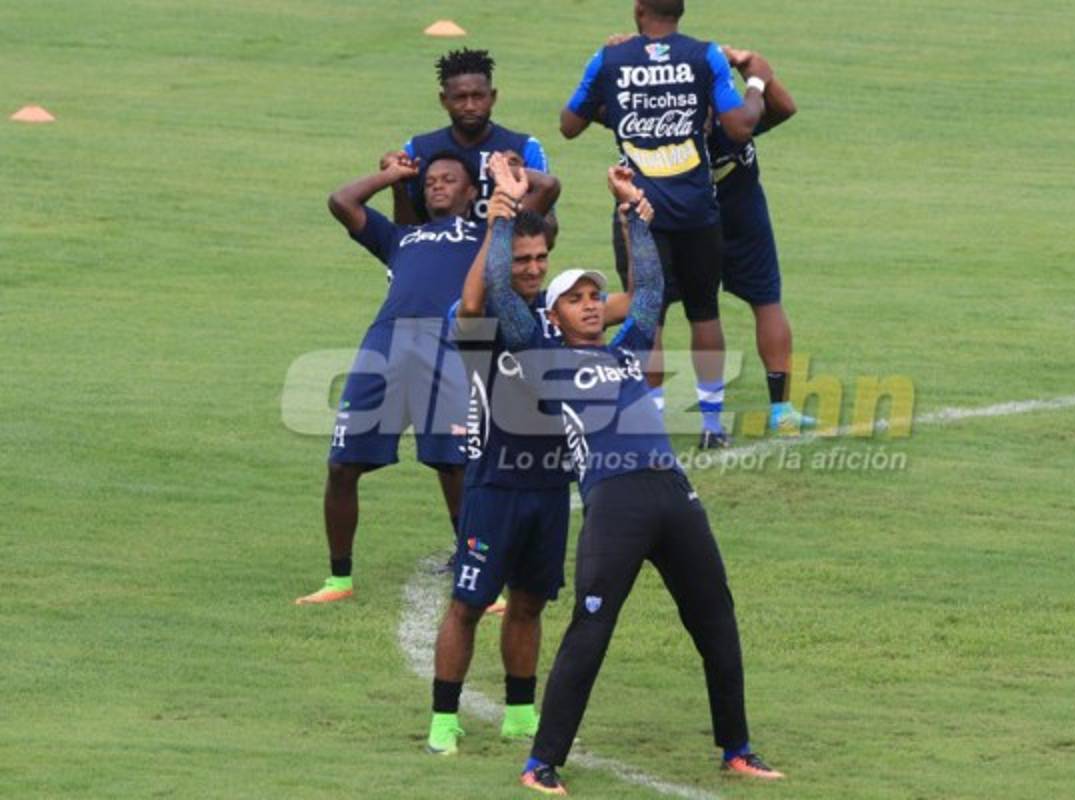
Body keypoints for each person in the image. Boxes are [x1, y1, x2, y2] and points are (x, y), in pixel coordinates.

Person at [484, 166, 783, 794]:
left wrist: (635, 217)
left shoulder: (623, 353)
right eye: (576, 297)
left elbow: (648, 291)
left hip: (674, 494)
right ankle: (541, 764)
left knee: (716, 621)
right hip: (615, 502)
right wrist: (506, 217)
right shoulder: (536, 354)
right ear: (553, 312)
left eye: (595, 295)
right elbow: (501, 296)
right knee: (592, 628)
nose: (592, 304)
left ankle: (738, 749)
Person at [427, 155, 629, 754]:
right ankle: (443, 717)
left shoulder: (560, 311)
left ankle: (519, 711)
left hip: (549, 489)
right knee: (468, 603)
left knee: (530, 604)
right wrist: (499, 215)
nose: (535, 269)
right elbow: (468, 304)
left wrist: (631, 214)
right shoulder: (486, 314)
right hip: (494, 486)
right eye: (523, 261)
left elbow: (635, 302)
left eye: (541, 259)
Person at [559, 0, 772, 448]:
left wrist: (616, 100)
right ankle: (712, 426)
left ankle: (652, 425)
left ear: (638, 10)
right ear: (681, 11)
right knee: (704, 312)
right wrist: (756, 80)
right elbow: (739, 126)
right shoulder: (705, 55)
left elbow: (569, 123)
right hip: (697, 210)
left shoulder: (610, 58)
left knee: (646, 315)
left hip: (639, 210)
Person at [294, 152, 482, 605]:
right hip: (385, 345)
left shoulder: (486, 234)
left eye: (450, 179)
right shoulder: (401, 237)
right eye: (431, 180)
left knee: (455, 465)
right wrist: (393, 177)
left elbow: (545, 192)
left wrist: (506, 179)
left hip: (447, 345)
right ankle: (339, 579)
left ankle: (477, 574)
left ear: (471, 192)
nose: (438, 185)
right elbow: (341, 201)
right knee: (341, 465)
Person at [708, 46, 813, 434]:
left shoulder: (669, 126)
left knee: (683, 310)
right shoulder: (734, 121)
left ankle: (683, 411)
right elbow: (782, 108)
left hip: (698, 220)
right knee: (764, 301)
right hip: (738, 218)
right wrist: (754, 70)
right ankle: (780, 409)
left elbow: (785, 109)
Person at [397, 48, 559, 245]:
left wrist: (516, 179)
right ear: (443, 100)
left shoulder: (524, 147)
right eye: (460, 97)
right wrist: (395, 181)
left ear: (493, 97)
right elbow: (405, 234)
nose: (470, 106)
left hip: (498, 266)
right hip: (437, 262)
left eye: (478, 96)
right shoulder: (418, 149)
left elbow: (548, 235)